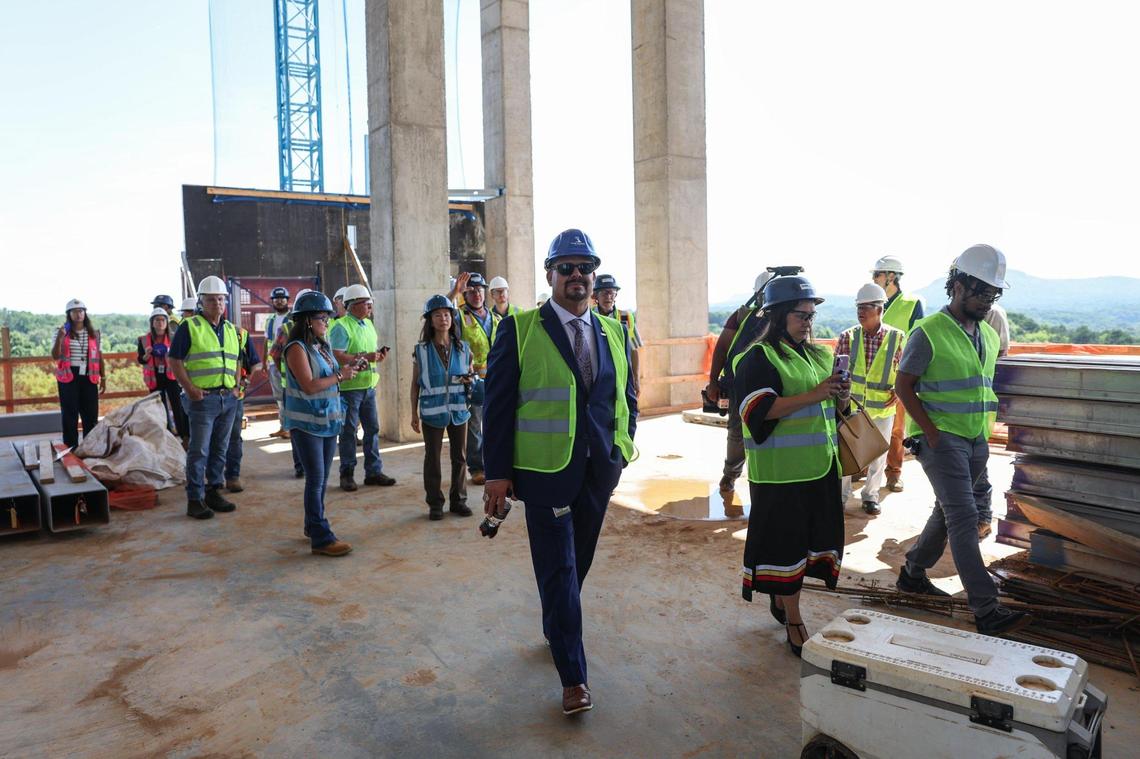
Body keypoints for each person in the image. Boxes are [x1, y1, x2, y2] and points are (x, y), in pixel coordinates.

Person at [484, 228, 637, 716]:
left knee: (579, 563)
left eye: (584, 268)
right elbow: (499, 404)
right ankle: (574, 677)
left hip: (598, 470)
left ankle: (556, 625)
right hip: (545, 471)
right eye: (566, 267)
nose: (577, 276)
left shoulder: (613, 330)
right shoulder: (520, 328)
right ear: (550, 274)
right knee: (561, 567)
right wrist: (496, 473)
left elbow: (625, 399)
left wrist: (623, 448)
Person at [894, 244, 1029, 636]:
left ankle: (912, 573)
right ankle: (987, 610)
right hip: (942, 440)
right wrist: (931, 434)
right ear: (957, 286)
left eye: (994, 294)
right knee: (965, 519)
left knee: (946, 511)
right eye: (983, 292)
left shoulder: (987, 333)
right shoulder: (929, 332)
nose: (988, 301)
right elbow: (904, 386)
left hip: (975, 439)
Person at [734, 274, 848, 659]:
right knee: (788, 547)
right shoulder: (757, 358)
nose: (808, 321)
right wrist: (815, 393)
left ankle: (784, 601)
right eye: (800, 314)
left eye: (811, 315)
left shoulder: (818, 354)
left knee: (810, 545)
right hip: (782, 474)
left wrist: (839, 397)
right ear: (778, 314)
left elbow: (828, 407)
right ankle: (795, 618)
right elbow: (757, 411)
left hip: (819, 468)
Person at [284, 291, 356, 557]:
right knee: (315, 479)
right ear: (306, 320)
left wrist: (345, 373)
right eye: (322, 318)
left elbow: (329, 379)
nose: (326, 322)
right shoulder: (296, 349)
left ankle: (311, 525)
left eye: (327, 318)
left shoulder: (321, 347)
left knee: (322, 478)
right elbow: (309, 385)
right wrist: (339, 376)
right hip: (307, 424)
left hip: (327, 421)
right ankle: (321, 537)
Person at [167, 276, 241, 520]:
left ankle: (213, 491)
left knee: (220, 448)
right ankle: (194, 498)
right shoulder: (190, 326)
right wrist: (188, 387)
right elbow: (175, 359)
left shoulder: (231, 329)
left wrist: (237, 388)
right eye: (211, 299)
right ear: (201, 302)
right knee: (199, 450)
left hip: (227, 398)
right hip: (202, 399)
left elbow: (237, 360)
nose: (217, 303)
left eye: (220, 299)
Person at [836, 284, 906, 515]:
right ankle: (841, 496)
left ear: (880, 309)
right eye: (859, 307)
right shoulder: (848, 336)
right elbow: (837, 371)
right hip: (853, 407)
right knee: (847, 453)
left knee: (878, 455)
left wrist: (899, 390)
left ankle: (870, 496)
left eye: (866, 307)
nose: (861, 311)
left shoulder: (897, 338)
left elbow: (905, 371)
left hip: (882, 409)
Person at [705, 271, 774, 494]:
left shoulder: (787, 316)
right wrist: (713, 382)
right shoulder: (742, 316)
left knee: (771, 430)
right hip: (739, 383)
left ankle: (766, 478)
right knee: (737, 432)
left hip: (772, 384)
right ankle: (730, 475)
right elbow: (722, 348)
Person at [410, 295, 474, 520]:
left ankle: (459, 501)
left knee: (460, 457)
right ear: (430, 320)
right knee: (433, 458)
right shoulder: (421, 350)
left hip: (458, 411)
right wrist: (413, 414)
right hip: (432, 412)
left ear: (452, 319)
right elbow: (415, 384)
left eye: (447, 315)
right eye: (437, 315)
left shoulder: (464, 348)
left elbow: (471, 378)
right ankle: (435, 504)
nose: (443, 319)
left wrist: (470, 381)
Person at [329, 284, 395, 491]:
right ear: (353, 305)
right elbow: (337, 354)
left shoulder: (368, 325)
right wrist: (365, 357)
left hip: (368, 387)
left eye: (370, 304)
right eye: (366, 304)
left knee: (372, 430)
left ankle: (373, 472)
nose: (370, 308)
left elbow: (366, 352)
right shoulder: (341, 326)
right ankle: (346, 474)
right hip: (350, 389)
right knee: (348, 432)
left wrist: (376, 356)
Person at [871, 255, 925, 493]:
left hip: (898, 376)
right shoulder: (873, 302)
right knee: (867, 425)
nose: (873, 279)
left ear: (891, 277)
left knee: (896, 428)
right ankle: (863, 468)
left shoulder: (912, 303)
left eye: (876, 275)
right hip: (871, 377)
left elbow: (917, 342)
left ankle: (893, 473)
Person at [458, 272, 502, 485]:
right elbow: (438, 313)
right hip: (473, 382)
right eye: (472, 290)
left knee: (494, 424)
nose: (477, 294)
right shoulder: (459, 317)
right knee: (475, 425)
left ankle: (495, 464)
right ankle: (476, 468)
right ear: (465, 294)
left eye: (480, 290)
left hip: (495, 380)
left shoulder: (495, 319)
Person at [973, 302, 1010, 539]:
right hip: (959, 407)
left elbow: (1001, 356)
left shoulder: (992, 313)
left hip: (980, 403)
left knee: (977, 462)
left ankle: (983, 518)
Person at [51, 299, 105, 449]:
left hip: (89, 375)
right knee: (70, 413)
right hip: (68, 376)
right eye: (75, 311)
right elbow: (55, 356)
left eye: (81, 311)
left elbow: (100, 356)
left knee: (90, 414)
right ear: (69, 314)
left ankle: (89, 447)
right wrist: (60, 338)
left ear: (85, 313)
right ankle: (71, 447)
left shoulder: (94, 333)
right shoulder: (60, 331)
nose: (78, 314)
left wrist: (104, 377)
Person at [137, 307, 188, 441]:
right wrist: (146, 355)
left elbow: (182, 356)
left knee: (177, 406)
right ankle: (166, 435)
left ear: (166, 322)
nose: (160, 323)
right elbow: (140, 359)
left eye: (162, 320)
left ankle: (184, 436)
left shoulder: (175, 338)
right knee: (159, 407)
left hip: (171, 376)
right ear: (152, 323)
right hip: (154, 377)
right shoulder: (143, 340)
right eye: (157, 320)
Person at [224, 322, 263, 493]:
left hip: (234, 397)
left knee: (233, 437)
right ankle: (213, 479)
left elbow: (255, 363)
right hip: (205, 398)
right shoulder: (194, 331)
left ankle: (232, 476)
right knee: (210, 440)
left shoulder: (240, 334)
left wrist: (245, 381)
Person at [591, 274, 642, 397]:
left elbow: (634, 350)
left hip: (623, 375)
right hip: (597, 375)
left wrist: (636, 377)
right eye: (604, 293)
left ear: (616, 295)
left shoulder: (625, 317)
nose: (608, 297)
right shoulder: (589, 316)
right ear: (596, 296)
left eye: (611, 293)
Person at [265, 286, 293, 440]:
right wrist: (264, 362)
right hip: (272, 363)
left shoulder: (292, 319)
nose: (280, 301)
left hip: (288, 365)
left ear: (287, 300)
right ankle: (283, 426)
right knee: (279, 397)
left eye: (283, 299)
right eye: (277, 299)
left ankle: (289, 427)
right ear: (273, 301)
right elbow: (266, 341)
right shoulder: (270, 320)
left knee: (288, 396)